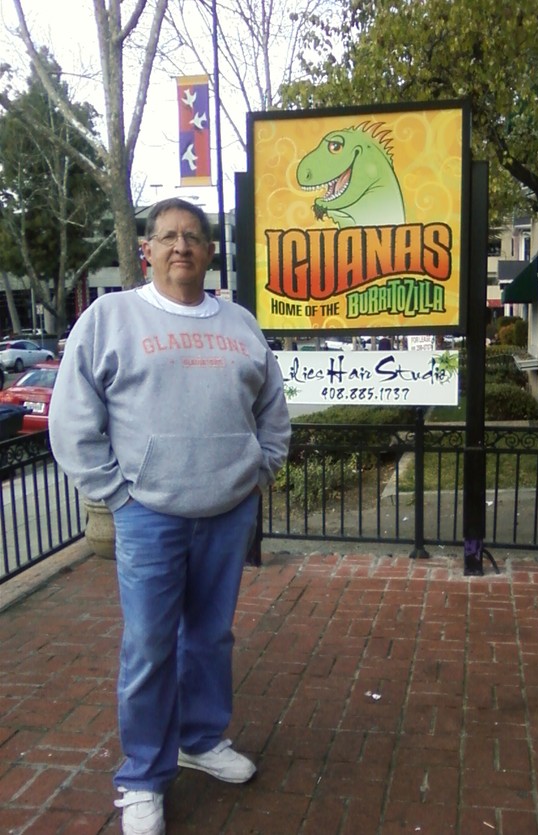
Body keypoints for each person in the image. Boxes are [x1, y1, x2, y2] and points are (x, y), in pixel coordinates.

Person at [49, 197, 291, 835]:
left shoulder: (240, 323)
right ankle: (142, 776)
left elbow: (272, 407)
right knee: (150, 647)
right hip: (147, 513)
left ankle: (200, 740)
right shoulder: (110, 318)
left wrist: (259, 471)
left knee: (210, 636)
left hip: (228, 510)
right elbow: (72, 416)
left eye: (192, 237)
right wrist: (115, 492)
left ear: (209, 252)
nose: (180, 246)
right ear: (148, 250)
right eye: (167, 236)